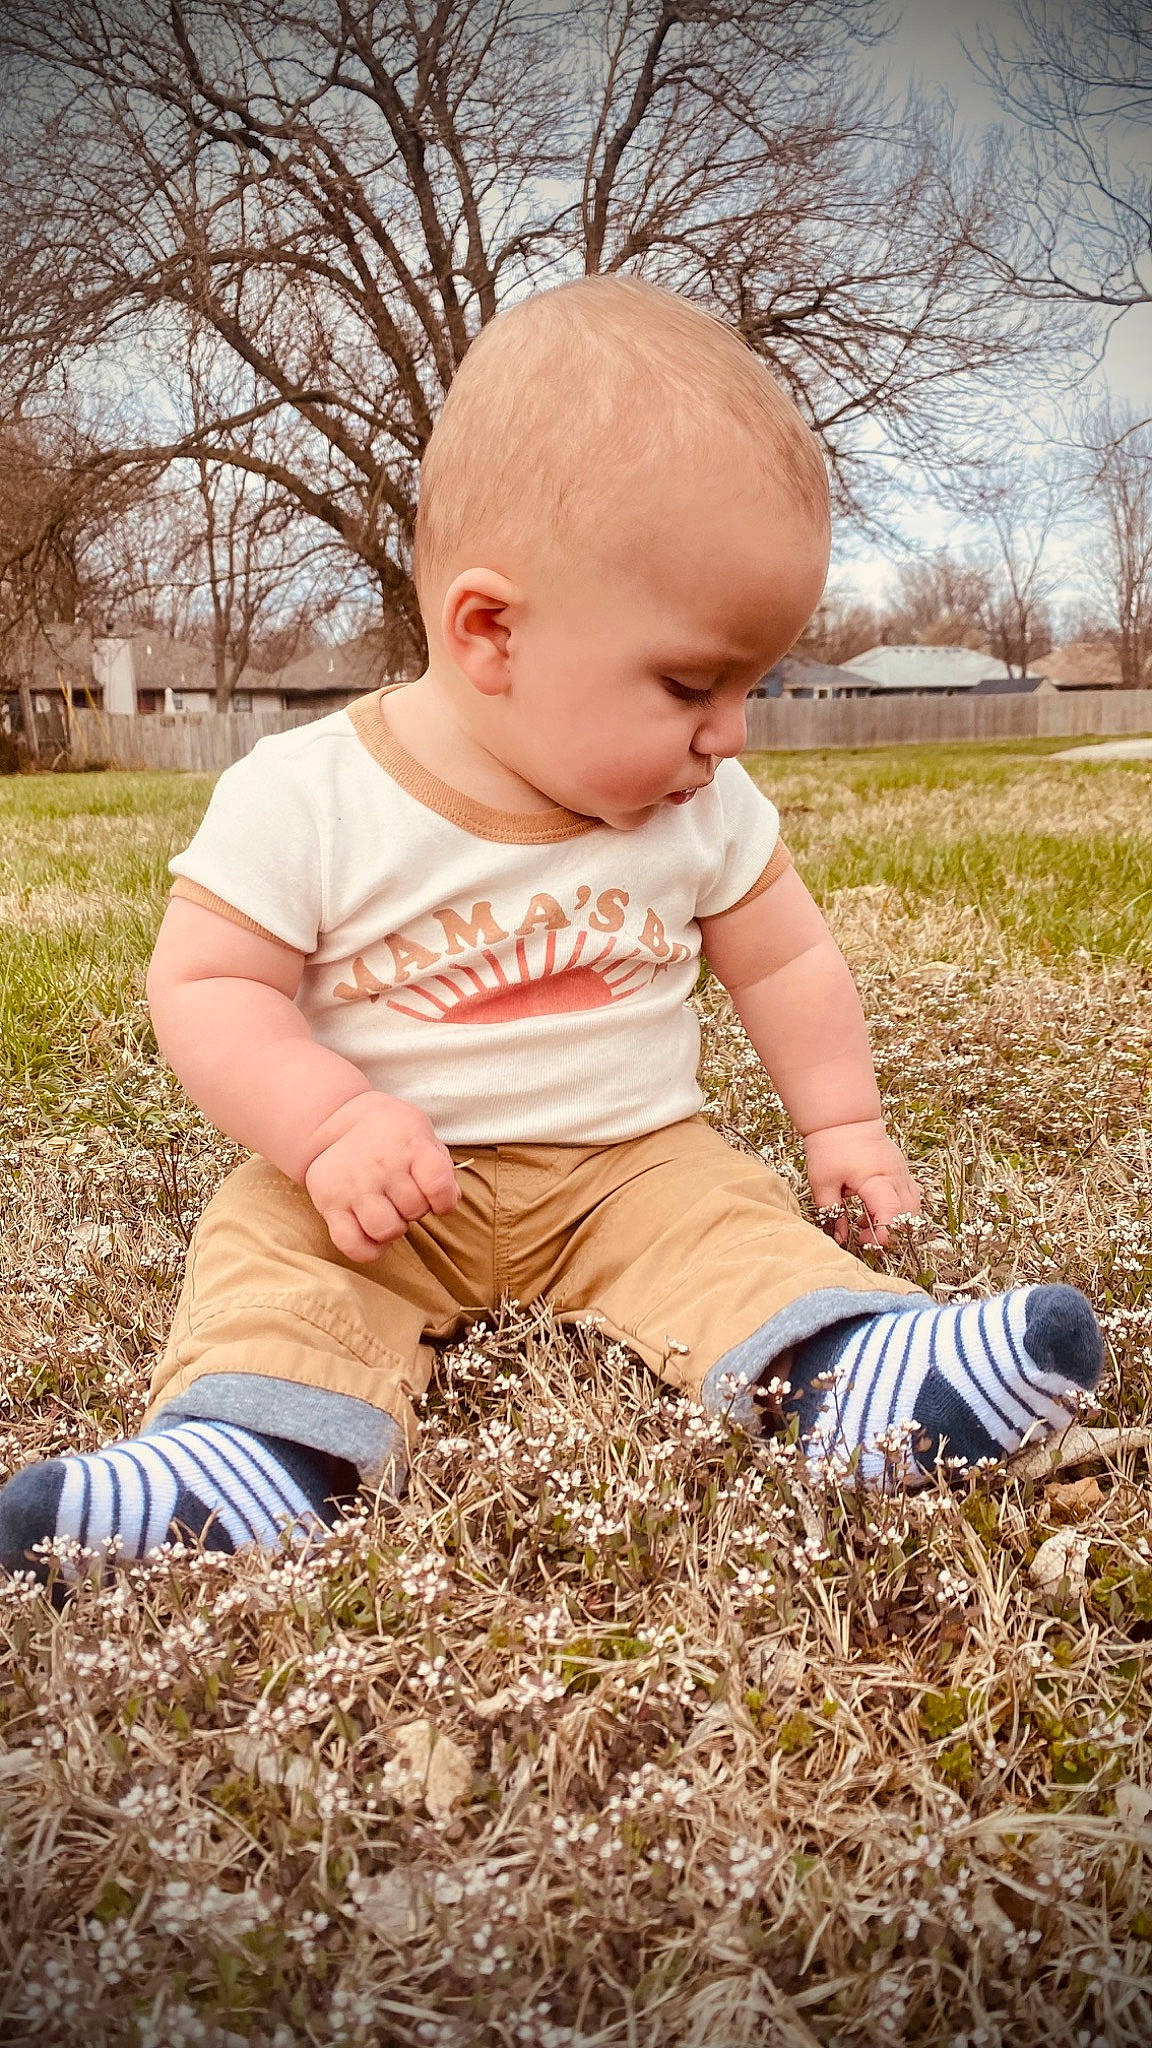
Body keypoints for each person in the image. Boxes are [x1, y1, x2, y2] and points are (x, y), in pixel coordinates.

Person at [0, 277, 1102, 1582]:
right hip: (378, 1188)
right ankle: (245, 1454)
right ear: (492, 633)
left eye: (751, 685)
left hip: (629, 1168)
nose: (732, 732)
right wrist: (327, 1123)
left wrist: (842, 1121)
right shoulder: (307, 794)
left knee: (730, 1220)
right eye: (691, 683)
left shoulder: (706, 806)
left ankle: (853, 1368)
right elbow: (206, 984)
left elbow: (788, 955)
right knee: (269, 1247)